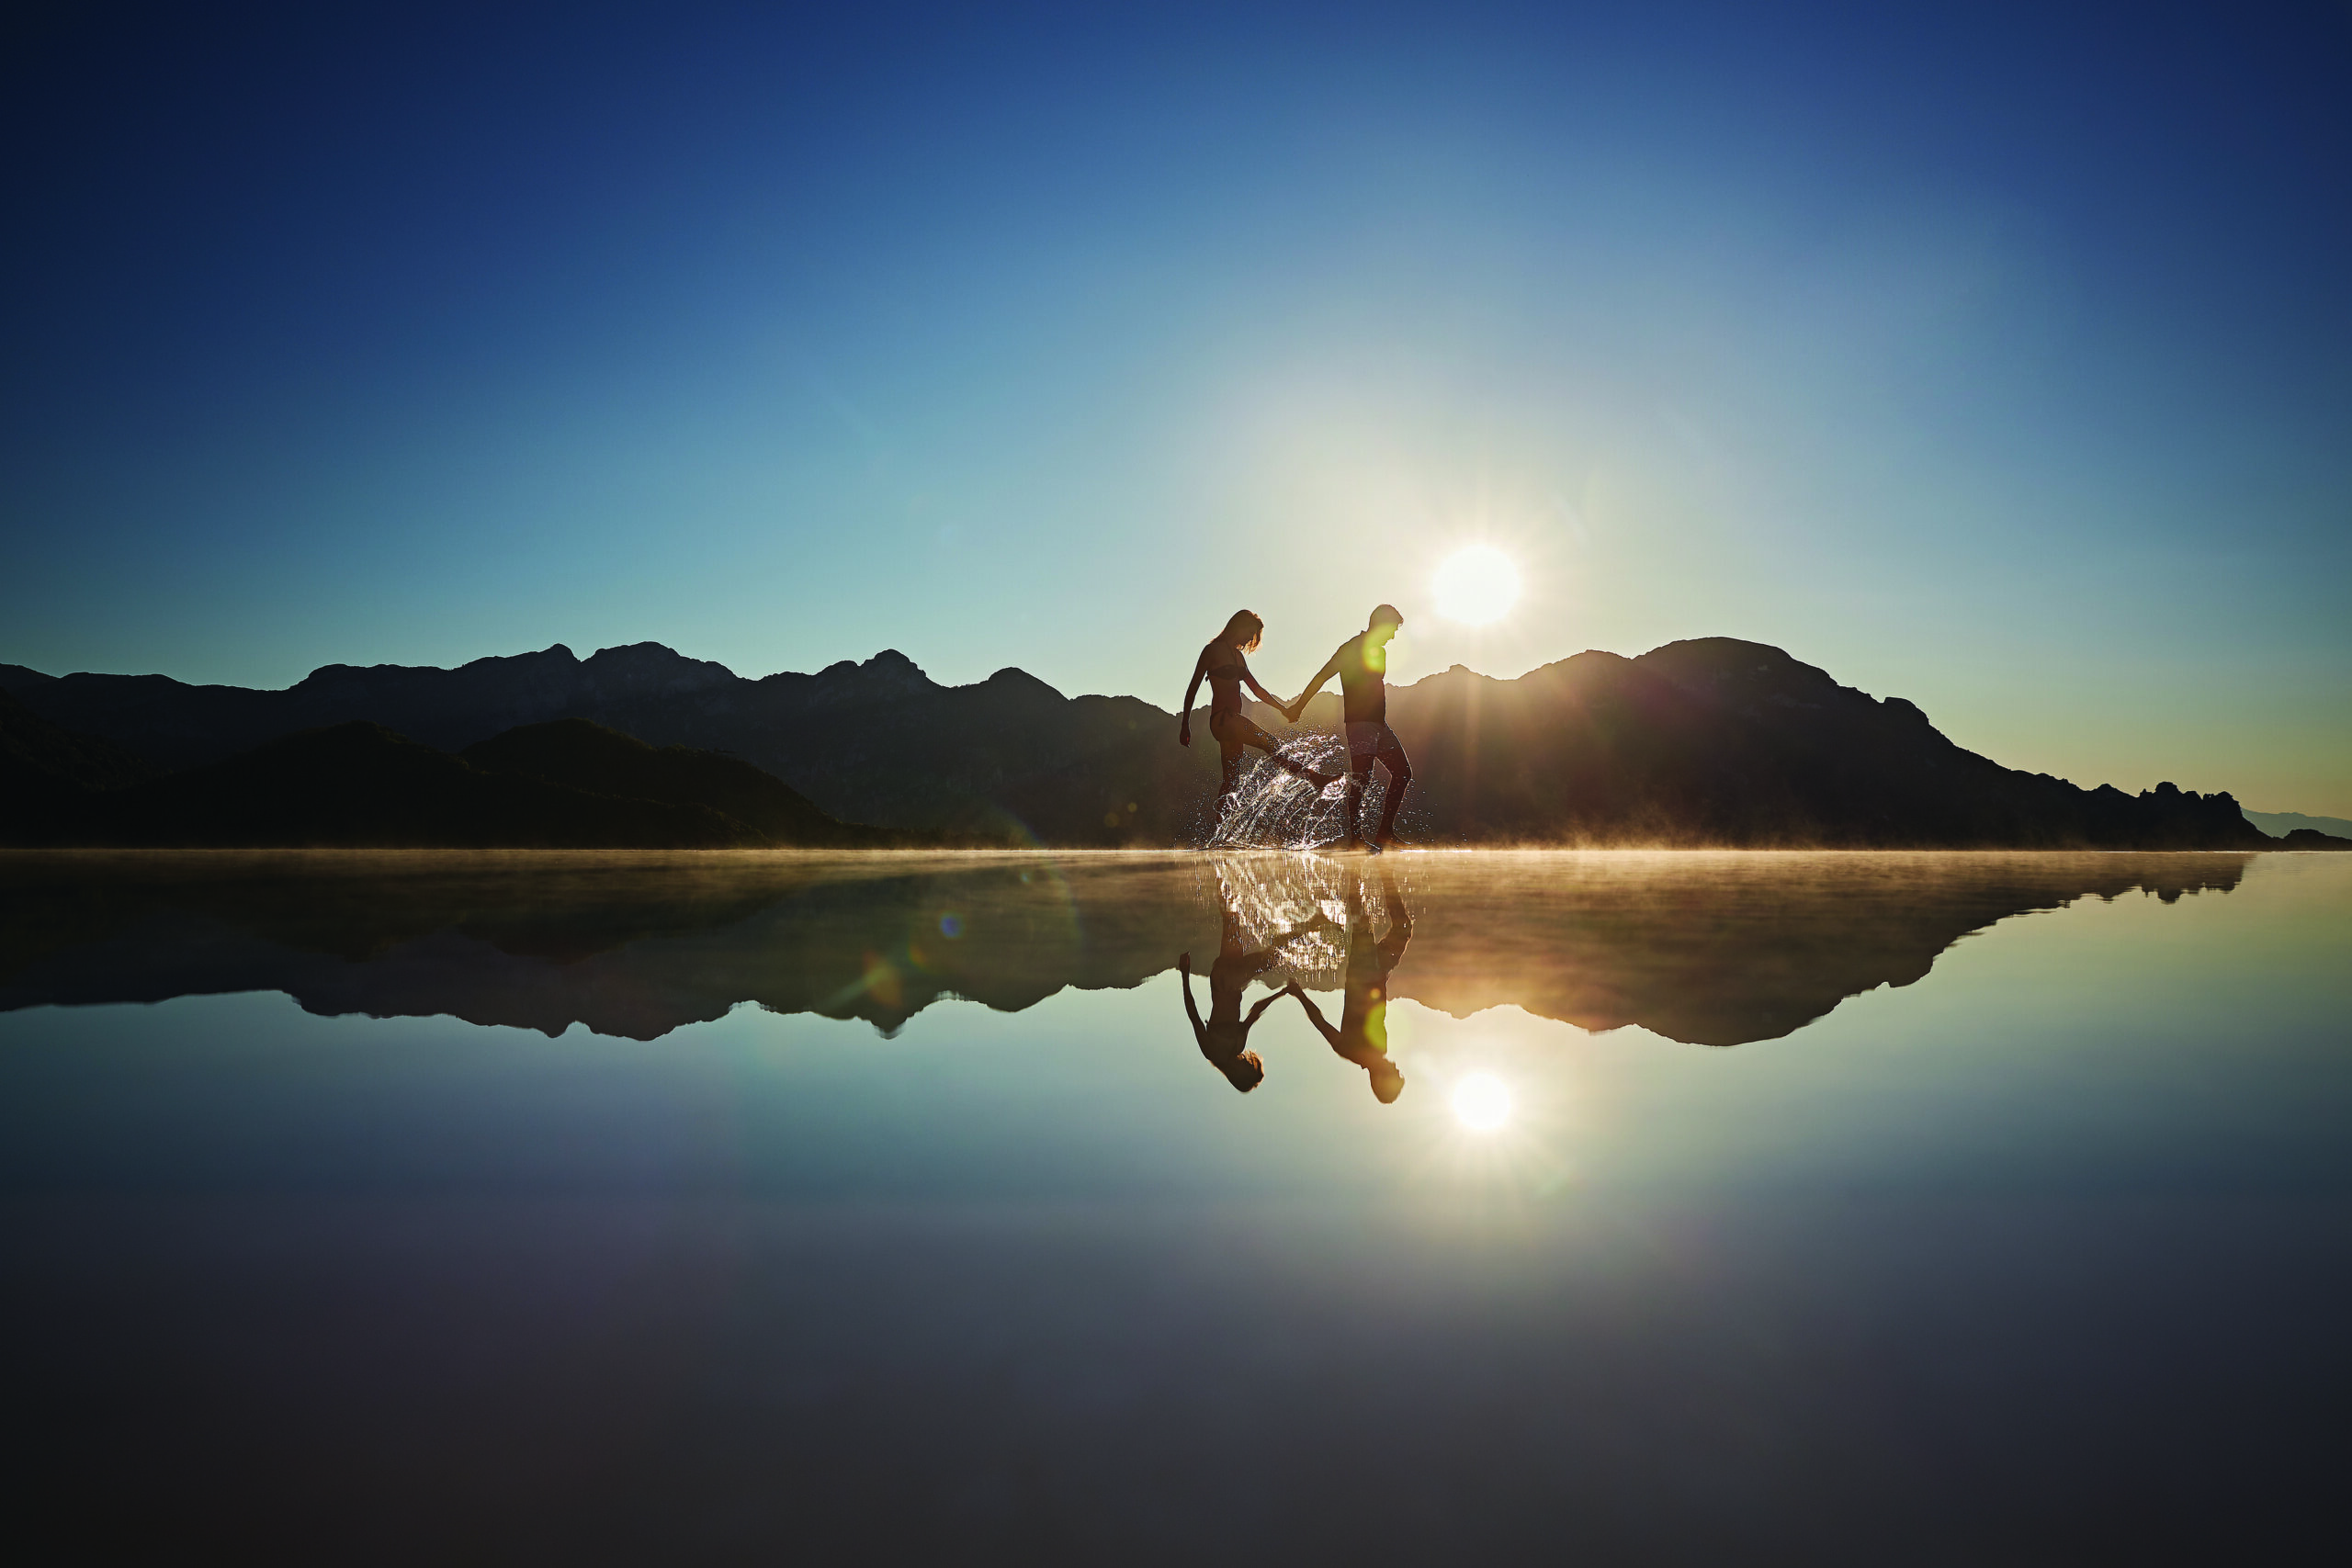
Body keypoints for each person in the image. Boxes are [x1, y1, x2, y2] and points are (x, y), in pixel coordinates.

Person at [1180, 609, 1337, 826]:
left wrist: (1283, 709)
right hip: (1224, 720)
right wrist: (1184, 724)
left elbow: (1257, 690)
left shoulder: (1238, 657)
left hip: (1233, 721)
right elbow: (1193, 687)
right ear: (1239, 626)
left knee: (1231, 780)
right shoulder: (1212, 650)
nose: (1249, 640)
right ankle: (1314, 779)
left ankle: (1220, 830)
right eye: (1250, 634)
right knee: (1271, 743)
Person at [1284, 604, 1412, 852]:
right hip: (1360, 723)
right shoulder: (1351, 648)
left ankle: (1385, 832)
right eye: (1393, 629)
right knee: (1362, 779)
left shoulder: (1380, 652)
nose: (1394, 635)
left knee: (1403, 772)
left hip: (1379, 724)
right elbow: (1323, 675)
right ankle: (1356, 838)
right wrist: (1299, 706)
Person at [1286, 862, 1410, 1103]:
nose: (1397, 1068)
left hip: (1363, 971)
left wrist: (1299, 995)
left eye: (1395, 1074)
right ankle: (1385, 875)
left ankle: (1353, 867)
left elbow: (1321, 1022)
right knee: (1403, 928)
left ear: (1382, 1078)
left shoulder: (1350, 1050)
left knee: (1361, 918)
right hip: (1379, 973)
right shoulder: (1379, 1050)